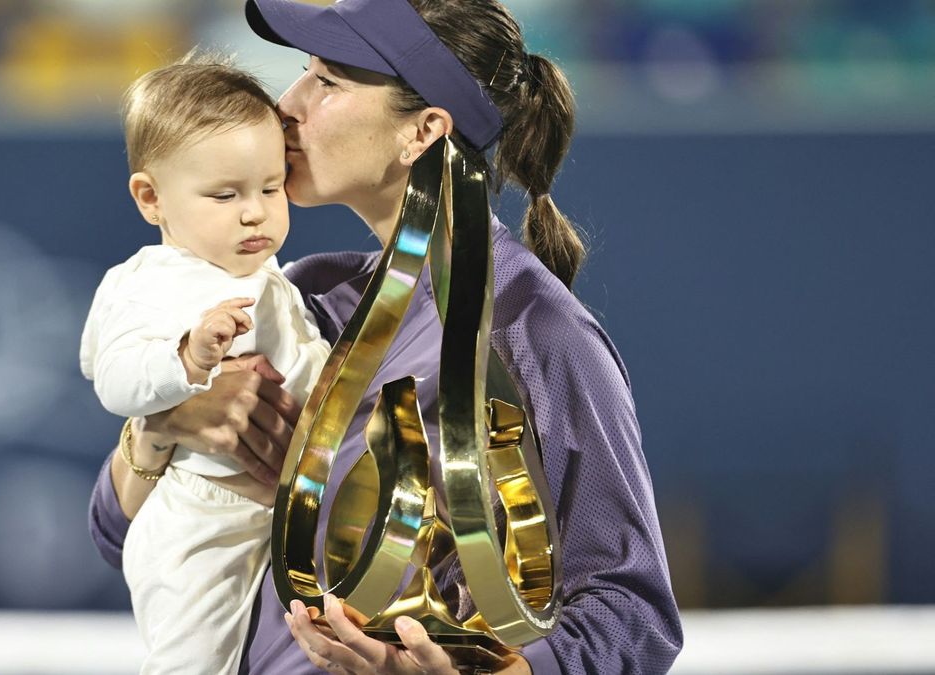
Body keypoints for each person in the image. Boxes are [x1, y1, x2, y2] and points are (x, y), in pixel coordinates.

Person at [88, 0, 684, 672]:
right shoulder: (305, 294)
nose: (287, 104)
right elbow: (115, 530)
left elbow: (632, 615)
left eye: (328, 82)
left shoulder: (536, 328)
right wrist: (163, 427)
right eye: (301, 72)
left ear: (422, 130)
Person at [79, 55, 331, 674]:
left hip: (278, 516)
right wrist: (186, 360)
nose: (254, 212)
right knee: (193, 661)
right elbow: (112, 376)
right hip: (200, 519)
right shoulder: (147, 281)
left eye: (271, 188)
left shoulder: (273, 277)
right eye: (224, 195)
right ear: (150, 198)